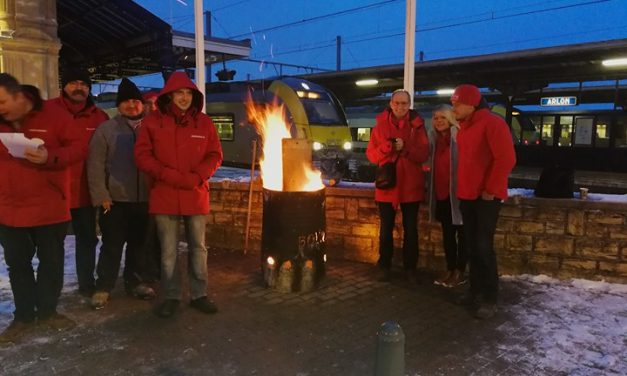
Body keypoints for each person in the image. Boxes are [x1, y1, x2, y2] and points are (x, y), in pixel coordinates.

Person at [0, 74, 83, 343]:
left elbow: (80, 147)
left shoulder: (55, 115)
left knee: (51, 262)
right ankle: (23, 316)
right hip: (9, 209)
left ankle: (48, 312)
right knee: (17, 265)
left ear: (19, 95)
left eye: (2, 101)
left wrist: (51, 156)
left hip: (49, 206)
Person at [135, 72, 223, 318]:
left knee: (198, 248)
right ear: (169, 95)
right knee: (168, 250)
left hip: (195, 193)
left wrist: (198, 176)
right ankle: (172, 296)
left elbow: (215, 155)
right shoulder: (153, 122)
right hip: (165, 194)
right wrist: (166, 174)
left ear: (194, 96)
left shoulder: (204, 123)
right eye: (179, 93)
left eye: (188, 93)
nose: (184, 98)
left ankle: (199, 294)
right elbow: (142, 155)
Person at [87, 78, 156, 309]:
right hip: (114, 200)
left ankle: (135, 282)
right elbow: (95, 165)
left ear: (143, 105)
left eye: (136, 101)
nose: (132, 105)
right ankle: (104, 286)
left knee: (139, 244)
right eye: (126, 101)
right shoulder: (106, 130)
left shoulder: (152, 127)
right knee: (112, 245)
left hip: (145, 198)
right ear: (119, 105)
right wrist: (101, 195)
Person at [451, 84, 516, 319]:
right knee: (471, 246)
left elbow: (506, 158)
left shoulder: (493, 123)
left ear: (472, 104)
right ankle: (475, 291)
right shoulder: (464, 128)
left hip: (486, 198)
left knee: (483, 247)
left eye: (457, 103)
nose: (454, 107)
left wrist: (490, 189)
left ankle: (490, 297)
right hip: (468, 196)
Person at [50, 68, 109, 297]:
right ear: (64, 86)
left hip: (85, 193)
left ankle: (86, 283)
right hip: (55, 192)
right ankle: (51, 289)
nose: (79, 87)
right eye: (74, 82)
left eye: (84, 84)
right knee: (53, 245)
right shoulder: (49, 111)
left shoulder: (99, 117)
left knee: (87, 240)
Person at [366, 89, 429, 283]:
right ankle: (384, 265)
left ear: (409, 105)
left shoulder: (418, 126)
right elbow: (371, 155)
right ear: (391, 104)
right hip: (388, 185)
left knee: (411, 229)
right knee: (385, 229)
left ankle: (410, 268)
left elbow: (424, 155)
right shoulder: (379, 127)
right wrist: (388, 147)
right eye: (397, 103)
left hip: (411, 185)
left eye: (404, 103)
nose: (400, 107)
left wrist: (406, 149)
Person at [428, 104, 467, 288]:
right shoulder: (435, 140)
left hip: (458, 195)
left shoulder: (458, 136)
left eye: (442, 117)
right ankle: (451, 269)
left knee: (463, 235)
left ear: (450, 118)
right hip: (442, 195)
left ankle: (460, 271)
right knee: (448, 236)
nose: (438, 121)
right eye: (436, 118)